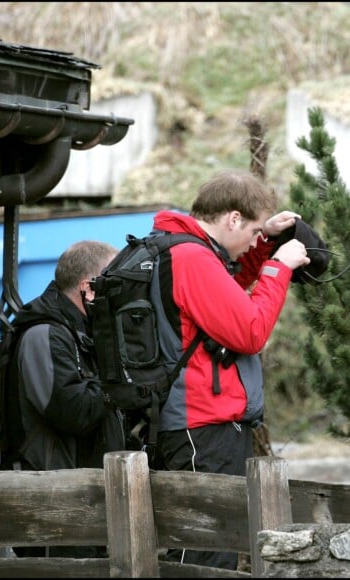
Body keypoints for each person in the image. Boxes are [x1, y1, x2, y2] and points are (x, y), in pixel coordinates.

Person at [149, 170, 310, 570]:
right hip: (201, 426)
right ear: (232, 219)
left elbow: (227, 291)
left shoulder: (186, 250)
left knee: (211, 544)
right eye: (254, 230)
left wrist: (266, 241)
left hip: (201, 424)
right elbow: (250, 330)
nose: (256, 241)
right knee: (205, 550)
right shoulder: (192, 258)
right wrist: (278, 266)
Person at [9, 240, 125, 558]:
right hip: (57, 505)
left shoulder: (82, 332)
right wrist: (115, 380)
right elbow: (72, 411)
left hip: (87, 497)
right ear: (88, 287)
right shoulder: (43, 334)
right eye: (113, 283)